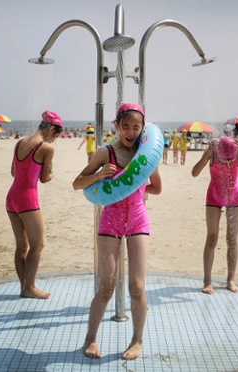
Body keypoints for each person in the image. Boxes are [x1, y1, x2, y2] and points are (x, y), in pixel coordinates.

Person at [73, 103, 162, 360]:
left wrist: (134, 187)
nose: (131, 132)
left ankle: (137, 340)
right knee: (107, 285)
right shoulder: (105, 153)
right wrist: (100, 175)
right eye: (126, 126)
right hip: (110, 222)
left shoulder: (146, 156)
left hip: (137, 222)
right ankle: (90, 339)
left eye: (136, 127)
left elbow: (156, 187)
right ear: (117, 126)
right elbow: (77, 183)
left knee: (137, 286)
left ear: (142, 128)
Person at [6, 110, 63, 299]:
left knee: (21, 246)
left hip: (11, 197)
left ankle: (24, 287)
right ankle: (29, 287)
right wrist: (52, 173)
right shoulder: (46, 148)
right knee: (38, 245)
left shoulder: (20, 143)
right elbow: (45, 178)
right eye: (55, 136)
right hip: (27, 199)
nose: (54, 140)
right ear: (52, 129)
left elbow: (14, 172)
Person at [192, 136, 238, 294]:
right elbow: (194, 173)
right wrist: (206, 154)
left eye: (231, 160)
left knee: (232, 237)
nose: (229, 163)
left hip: (234, 197)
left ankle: (231, 279)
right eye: (225, 160)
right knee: (212, 237)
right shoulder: (213, 152)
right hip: (214, 196)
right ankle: (207, 281)